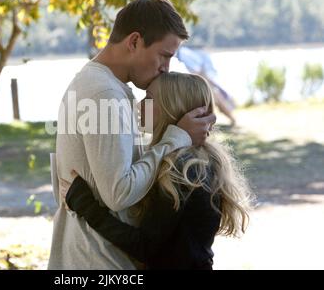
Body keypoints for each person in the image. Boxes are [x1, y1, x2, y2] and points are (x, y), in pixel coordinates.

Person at [48, 0, 216, 269]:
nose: (166, 68)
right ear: (135, 41)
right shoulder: (104, 94)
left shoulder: (99, 86)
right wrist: (177, 138)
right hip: (99, 262)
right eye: (165, 55)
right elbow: (119, 193)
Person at [64, 72, 254, 269]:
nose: (139, 106)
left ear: (171, 108)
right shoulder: (198, 160)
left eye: (149, 98)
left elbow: (145, 246)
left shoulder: (183, 170)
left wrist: (83, 203)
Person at [177, 46, 237, 127]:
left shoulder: (183, 53)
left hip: (201, 81)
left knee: (216, 99)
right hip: (199, 81)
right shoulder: (183, 53)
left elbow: (198, 70)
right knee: (216, 99)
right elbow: (198, 70)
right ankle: (231, 119)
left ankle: (231, 119)